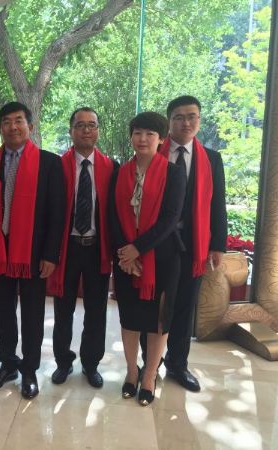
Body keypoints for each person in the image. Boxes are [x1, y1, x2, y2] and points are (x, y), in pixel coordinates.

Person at [0, 102, 65, 399]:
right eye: (6, 121)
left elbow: (57, 213)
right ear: (0, 127)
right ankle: (8, 364)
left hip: (34, 251)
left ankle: (29, 369)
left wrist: (51, 255)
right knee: (2, 312)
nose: (13, 127)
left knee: (32, 314)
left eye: (19, 120)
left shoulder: (49, 163)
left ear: (30, 125)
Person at [149, 96, 227, 392]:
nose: (186, 122)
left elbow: (217, 204)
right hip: (159, 243)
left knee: (184, 305)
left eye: (191, 116)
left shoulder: (211, 159)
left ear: (199, 120)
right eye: (179, 117)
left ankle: (177, 364)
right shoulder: (154, 152)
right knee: (154, 305)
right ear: (169, 122)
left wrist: (217, 245)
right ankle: (150, 363)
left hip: (194, 243)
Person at [109, 111, 186, 406]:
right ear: (131, 136)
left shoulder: (174, 173)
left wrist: (137, 249)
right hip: (126, 259)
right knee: (129, 319)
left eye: (150, 134)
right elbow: (112, 215)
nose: (143, 139)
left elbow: (170, 219)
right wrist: (125, 253)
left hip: (163, 259)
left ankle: (150, 375)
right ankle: (132, 372)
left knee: (158, 321)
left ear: (161, 139)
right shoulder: (119, 172)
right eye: (138, 133)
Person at [47, 107, 118, 388]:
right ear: (71, 130)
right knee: (63, 309)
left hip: (97, 248)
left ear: (98, 130)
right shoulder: (57, 166)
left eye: (92, 125)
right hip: (67, 248)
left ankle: (91, 363)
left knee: (96, 311)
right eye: (80, 125)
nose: (86, 130)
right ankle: (63, 361)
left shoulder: (111, 167)